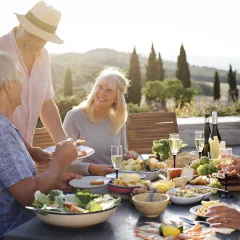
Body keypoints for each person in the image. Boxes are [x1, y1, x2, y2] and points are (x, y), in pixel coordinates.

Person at [0, 51, 81, 238]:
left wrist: (54, 182)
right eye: (19, 79)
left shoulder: (7, 126)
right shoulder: (2, 131)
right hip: (16, 233)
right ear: (9, 86)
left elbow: (20, 186)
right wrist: (59, 160)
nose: (23, 86)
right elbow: (28, 194)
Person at [0, 1, 67, 164]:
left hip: (24, 154)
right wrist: (28, 150)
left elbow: (47, 104)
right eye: (31, 34)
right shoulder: (1, 52)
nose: (34, 43)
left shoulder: (44, 57)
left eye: (42, 39)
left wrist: (64, 145)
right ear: (21, 24)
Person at [63, 68, 138, 176]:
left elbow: (121, 156)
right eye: (100, 87)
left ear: (117, 98)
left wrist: (130, 156)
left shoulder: (118, 120)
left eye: (109, 90)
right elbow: (62, 162)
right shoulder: (74, 117)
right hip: (81, 183)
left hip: (113, 181)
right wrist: (90, 168)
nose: (102, 93)